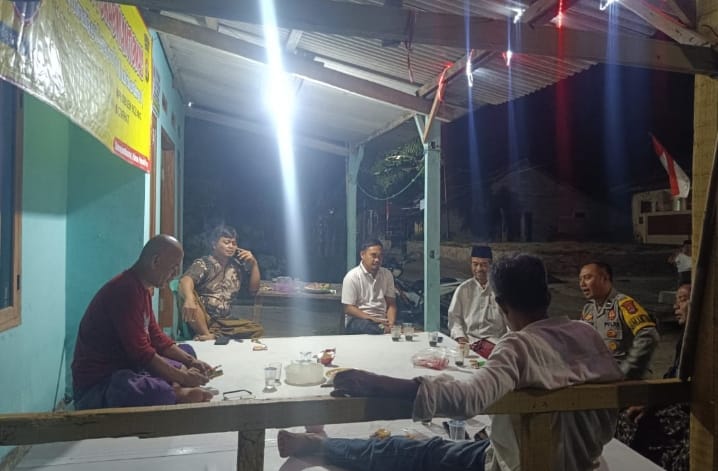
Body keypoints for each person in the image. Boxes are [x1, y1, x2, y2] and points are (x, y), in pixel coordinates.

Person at [278, 254, 624, 471]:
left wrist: (374, 382)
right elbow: (610, 414)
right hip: (585, 463)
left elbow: (465, 399)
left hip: (516, 464)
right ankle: (321, 445)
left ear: (501, 305)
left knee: (412, 451)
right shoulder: (586, 334)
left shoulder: (518, 346)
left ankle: (320, 446)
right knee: (453, 444)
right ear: (547, 296)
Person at [72, 235, 213, 409]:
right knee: (149, 391)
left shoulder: (142, 289)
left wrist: (191, 361)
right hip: (101, 383)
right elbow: (142, 354)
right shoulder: (124, 290)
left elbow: (157, 338)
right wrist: (183, 377)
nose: (175, 274)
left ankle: (174, 387)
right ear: (155, 261)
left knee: (186, 351)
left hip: (132, 367)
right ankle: (176, 393)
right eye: (173, 267)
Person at [616, 283, 691, 470]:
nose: (676, 306)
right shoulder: (686, 338)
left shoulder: (703, 342)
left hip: (686, 409)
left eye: (683, 300)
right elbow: (672, 376)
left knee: (635, 421)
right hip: (673, 400)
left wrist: (654, 400)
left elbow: (688, 388)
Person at [179, 224, 263, 340]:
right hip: (203, 317)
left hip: (223, 321)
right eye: (226, 242)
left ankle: (215, 335)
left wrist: (254, 264)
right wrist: (189, 299)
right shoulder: (204, 263)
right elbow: (185, 280)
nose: (231, 246)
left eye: (234, 243)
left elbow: (254, 290)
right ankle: (206, 334)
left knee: (256, 329)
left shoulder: (236, 267)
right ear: (214, 244)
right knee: (190, 294)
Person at [579, 261, 659, 380]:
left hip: (627, 383)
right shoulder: (588, 310)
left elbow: (648, 335)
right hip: (601, 378)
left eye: (587, 278)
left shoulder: (624, 305)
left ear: (604, 278)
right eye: (580, 279)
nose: (582, 284)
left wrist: (628, 371)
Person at [448, 245, 508, 344]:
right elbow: (454, 319)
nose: (479, 269)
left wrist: (506, 345)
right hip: (470, 342)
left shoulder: (501, 289)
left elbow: (511, 324)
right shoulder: (463, 289)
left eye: (483, 264)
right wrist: (460, 337)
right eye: (475, 264)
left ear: (491, 265)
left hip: (496, 343)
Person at [341, 239, 397, 335]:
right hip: (359, 320)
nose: (377, 260)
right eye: (373, 255)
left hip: (382, 321)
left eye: (380, 256)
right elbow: (348, 308)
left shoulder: (387, 274)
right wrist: (373, 319)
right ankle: (384, 330)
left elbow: (391, 304)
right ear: (362, 255)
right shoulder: (352, 276)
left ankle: (386, 330)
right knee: (367, 326)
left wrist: (391, 324)